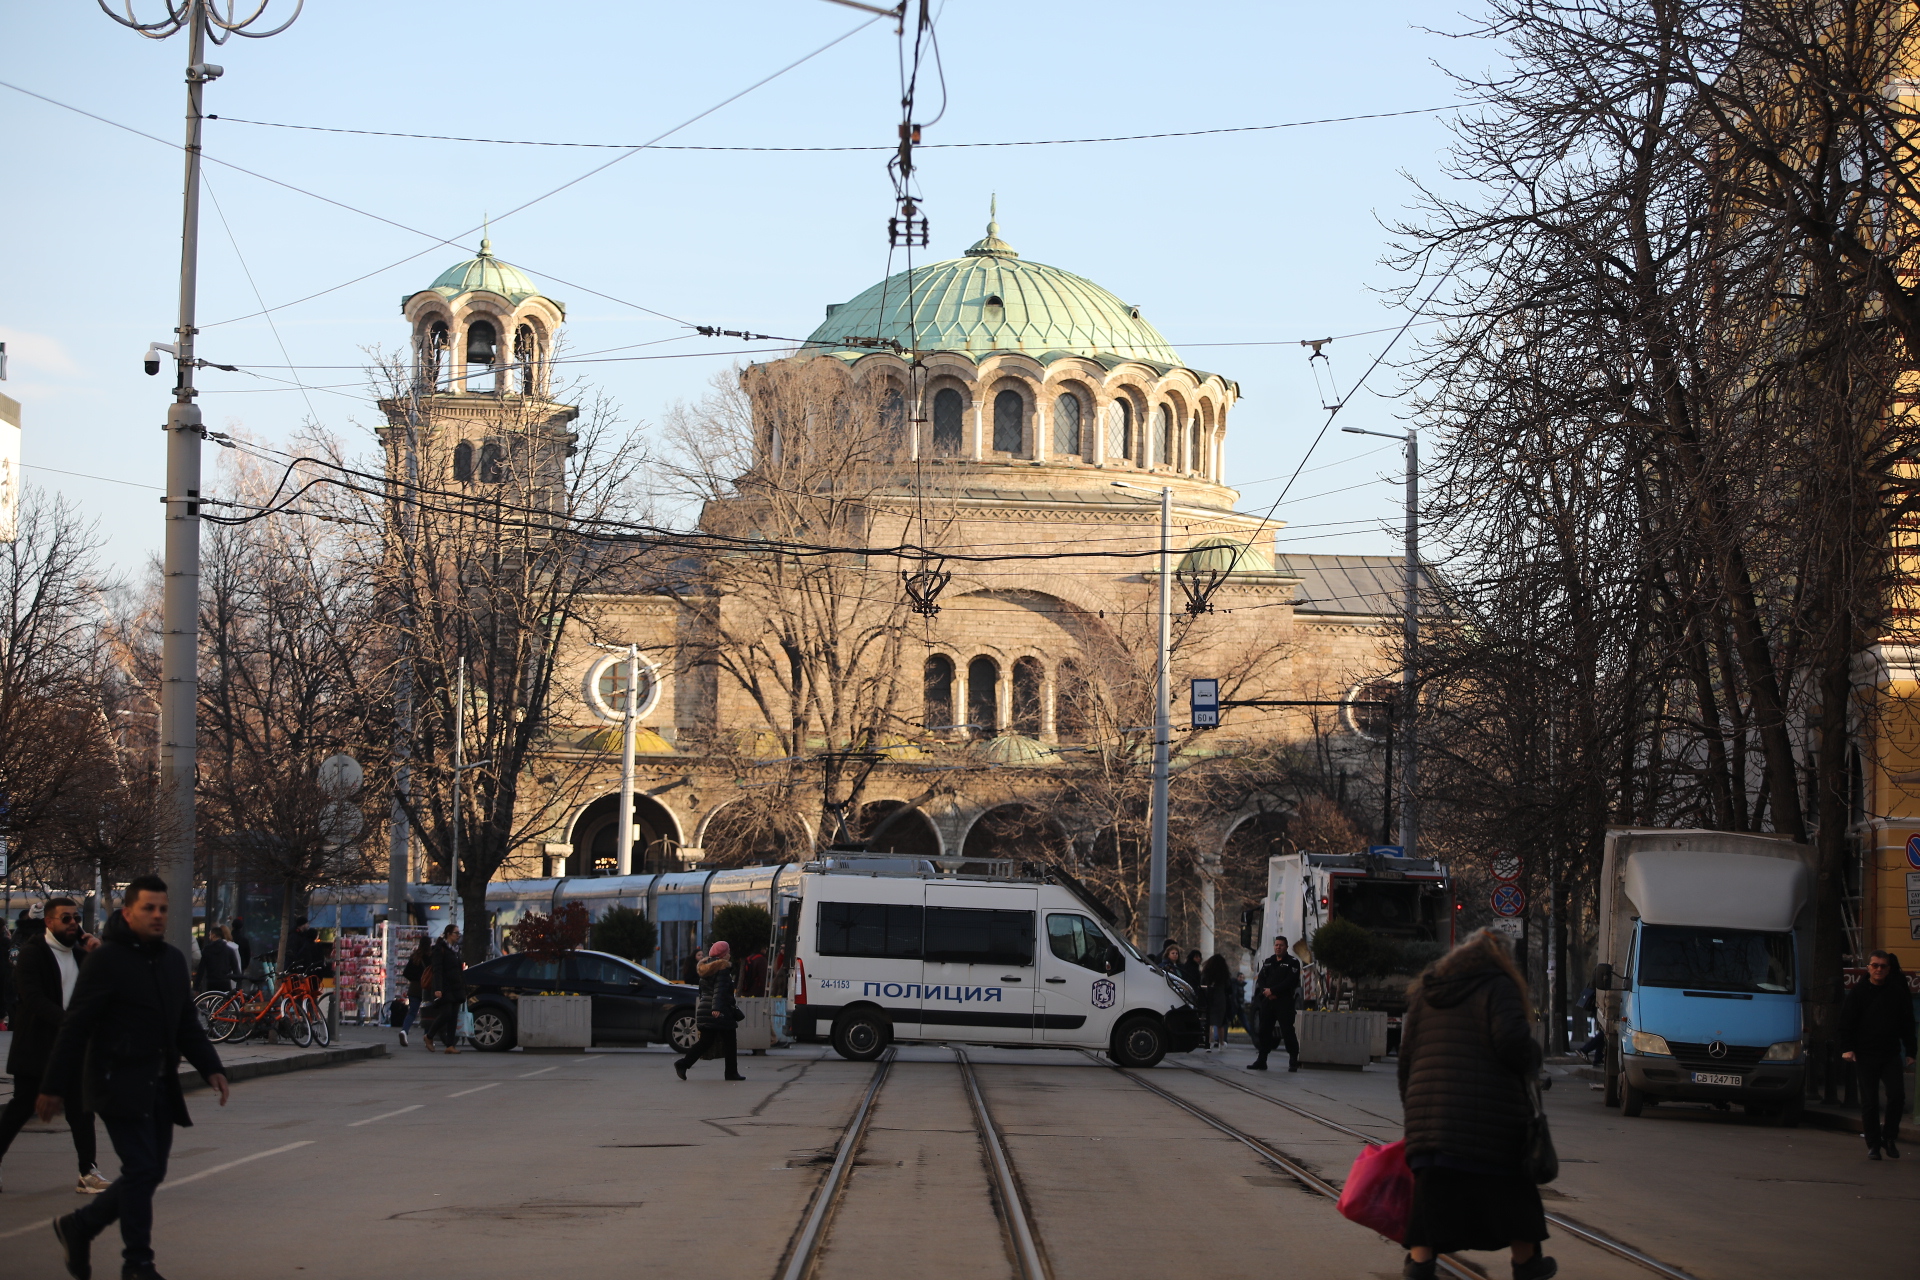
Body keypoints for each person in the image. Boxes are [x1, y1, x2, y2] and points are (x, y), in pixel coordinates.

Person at [40, 875, 229, 1280]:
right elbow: (75, 1026)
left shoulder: (172, 960)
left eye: (163, 908)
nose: (158, 915)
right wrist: (53, 1087)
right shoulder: (107, 960)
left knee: (149, 1172)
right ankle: (137, 1264)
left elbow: (185, 1023)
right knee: (142, 1169)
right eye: (149, 908)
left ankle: (80, 1227)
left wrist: (211, 1066)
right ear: (128, 912)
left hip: (159, 1085)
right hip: (116, 1082)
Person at [1397, 928, 1554, 1280]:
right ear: (1502, 958)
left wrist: (1416, 1114)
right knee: (1516, 1199)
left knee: (1428, 1204)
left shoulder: (1427, 989)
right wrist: (1534, 1054)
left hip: (1432, 1127)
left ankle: (1420, 1267)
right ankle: (1528, 1266)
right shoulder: (1500, 986)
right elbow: (1512, 1043)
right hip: (1490, 1125)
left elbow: (1406, 1059)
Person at [0, 897, 106, 1195]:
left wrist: (99, 954)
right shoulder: (33, 954)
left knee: (81, 1110)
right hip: (37, 1047)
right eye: (66, 918)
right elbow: (33, 1000)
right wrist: (70, 1023)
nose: (73, 923)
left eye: (75, 918)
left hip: (71, 1050)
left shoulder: (81, 955)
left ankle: (88, 1172)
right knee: (21, 1108)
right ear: (49, 922)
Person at [1839, 949, 1918, 1160]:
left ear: (1888, 969)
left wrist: (1911, 1051)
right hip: (1865, 1054)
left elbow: (1907, 1023)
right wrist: (1847, 1048)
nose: (1879, 970)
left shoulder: (1896, 993)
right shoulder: (1858, 993)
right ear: (1869, 968)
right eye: (1875, 966)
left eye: (1883, 966)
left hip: (1890, 1053)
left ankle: (1889, 1137)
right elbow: (1846, 1023)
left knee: (1897, 1096)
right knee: (1870, 1101)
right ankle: (1873, 1144)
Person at [674, 941, 745, 1081]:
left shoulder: (706, 967)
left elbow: (703, 991)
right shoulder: (722, 968)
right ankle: (731, 1072)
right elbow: (720, 990)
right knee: (730, 1041)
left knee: (706, 1041)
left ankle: (683, 1063)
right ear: (724, 953)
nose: (729, 953)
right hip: (720, 1010)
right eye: (728, 950)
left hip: (705, 1008)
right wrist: (717, 1008)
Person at [1249, 934, 1302, 1072]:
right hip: (1268, 1001)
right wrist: (1266, 992)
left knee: (1287, 1030)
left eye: (1281, 945)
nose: (1278, 948)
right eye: (1276, 945)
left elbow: (1290, 981)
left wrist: (1273, 991)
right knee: (1264, 1030)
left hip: (1284, 1002)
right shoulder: (1268, 961)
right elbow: (1261, 978)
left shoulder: (1293, 962)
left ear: (1286, 947)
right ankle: (1262, 1060)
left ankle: (1293, 1060)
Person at [427, 925, 466, 1053]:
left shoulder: (456, 950)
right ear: (448, 934)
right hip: (445, 986)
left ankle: (450, 1045)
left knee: (454, 1015)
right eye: (456, 933)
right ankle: (429, 1036)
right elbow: (437, 969)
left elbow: (458, 969)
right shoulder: (440, 949)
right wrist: (437, 988)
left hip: (456, 986)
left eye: (458, 933)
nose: (458, 935)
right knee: (446, 1013)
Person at [398, 936, 430, 1049]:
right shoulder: (429, 957)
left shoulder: (415, 956)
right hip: (426, 989)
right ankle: (427, 1037)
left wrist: (415, 979)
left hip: (414, 988)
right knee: (427, 1014)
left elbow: (406, 972)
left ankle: (404, 1031)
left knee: (412, 1013)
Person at [1201, 953, 1238, 1051]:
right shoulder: (1224, 974)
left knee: (1209, 1022)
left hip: (1208, 998)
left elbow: (1202, 983)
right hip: (1221, 999)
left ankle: (1209, 1042)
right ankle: (1221, 1042)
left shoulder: (1206, 973)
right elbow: (1229, 988)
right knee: (1220, 1022)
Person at [196, 926, 240, 995]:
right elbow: (236, 970)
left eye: (210, 935)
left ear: (213, 935)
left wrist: (196, 986)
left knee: (211, 1002)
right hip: (225, 982)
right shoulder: (229, 950)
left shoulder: (207, 950)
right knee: (225, 1003)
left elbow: (201, 969)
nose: (209, 937)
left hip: (211, 982)